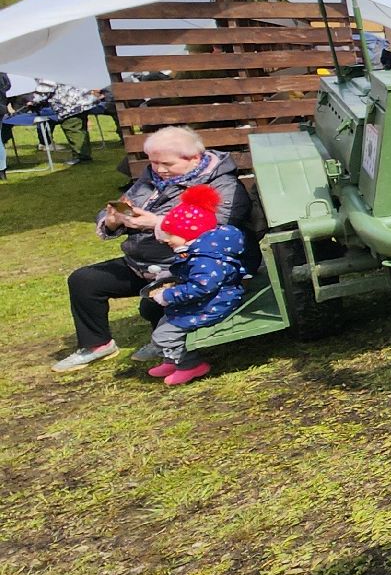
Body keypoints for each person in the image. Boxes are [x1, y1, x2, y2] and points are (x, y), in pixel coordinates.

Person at [56, 126, 254, 371]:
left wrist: (156, 224)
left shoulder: (222, 185)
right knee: (84, 281)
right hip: (140, 261)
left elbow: (220, 227)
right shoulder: (153, 177)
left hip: (187, 264)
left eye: (166, 164)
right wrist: (113, 220)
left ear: (194, 157)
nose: (159, 169)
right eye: (153, 162)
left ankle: (168, 345)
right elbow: (125, 204)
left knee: (152, 302)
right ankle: (97, 344)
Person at [142, 184, 249, 386]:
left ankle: (189, 365)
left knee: (163, 335)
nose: (166, 240)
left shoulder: (205, 258)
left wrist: (169, 296)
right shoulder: (200, 250)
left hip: (214, 303)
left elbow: (202, 286)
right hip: (210, 299)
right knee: (165, 320)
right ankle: (171, 360)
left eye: (170, 235)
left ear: (188, 233)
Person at [30, 79, 104, 164]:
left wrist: (32, 100)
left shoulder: (45, 72)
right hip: (82, 101)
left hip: (70, 105)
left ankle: (82, 157)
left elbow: (46, 88)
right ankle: (83, 155)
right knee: (80, 129)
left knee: (72, 128)